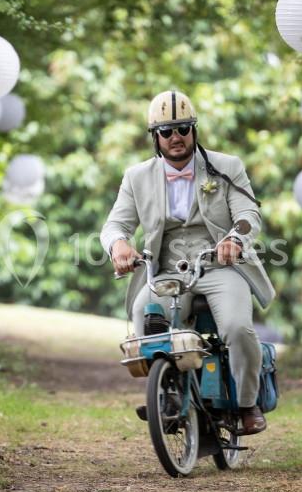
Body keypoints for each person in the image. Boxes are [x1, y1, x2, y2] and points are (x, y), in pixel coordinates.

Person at [100, 90, 276, 435]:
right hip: (165, 270)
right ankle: (166, 391)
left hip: (221, 265)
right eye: (166, 131)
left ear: (194, 130)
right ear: (156, 137)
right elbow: (115, 225)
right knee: (143, 313)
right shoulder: (136, 176)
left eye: (182, 128)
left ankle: (245, 404)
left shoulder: (227, 167)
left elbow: (248, 214)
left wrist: (234, 240)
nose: (175, 137)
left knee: (238, 329)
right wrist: (118, 244)